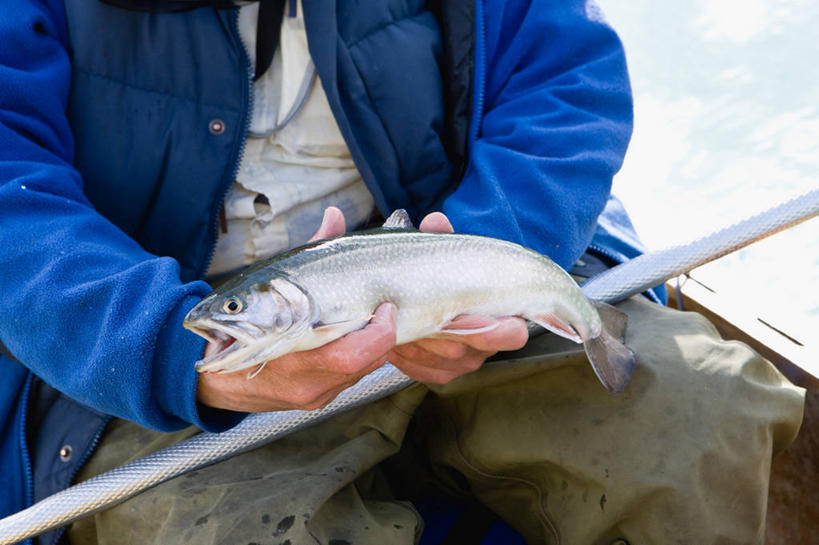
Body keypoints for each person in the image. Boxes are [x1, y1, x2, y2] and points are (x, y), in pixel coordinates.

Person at [0, 1, 804, 544]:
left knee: (702, 412)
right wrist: (169, 354)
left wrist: (473, 271)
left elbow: (563, 86)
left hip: (466, 268)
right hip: (164, 351)